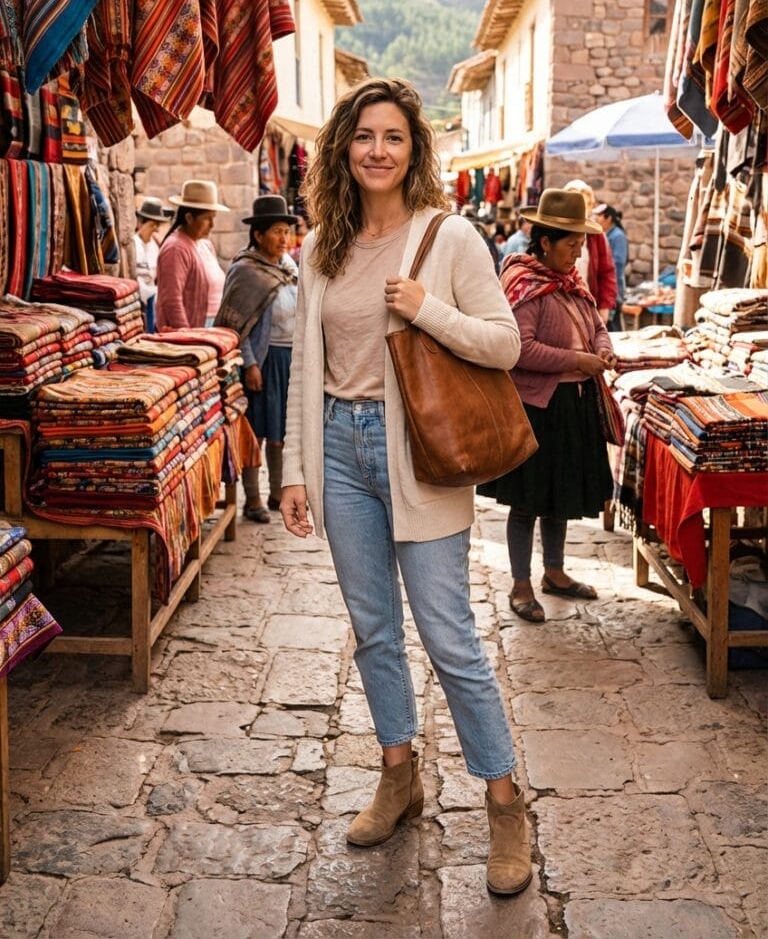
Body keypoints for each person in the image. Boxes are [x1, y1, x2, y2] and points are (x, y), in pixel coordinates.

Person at [280, 77, 531, 896]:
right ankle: (399, 771)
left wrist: (426, 309)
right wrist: (292, 470)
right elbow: (304, 373)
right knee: (373, 630)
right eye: (363, 137)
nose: (377, 150)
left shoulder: (450, 236)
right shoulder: (322, 247)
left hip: (417, 459)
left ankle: (503, 802)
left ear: (413, 149)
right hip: (341, 455)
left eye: (392, 136)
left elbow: (503, 344)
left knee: (451, 638)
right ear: (342, 151)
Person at [478, 188, 616, 624]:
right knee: (528, 499)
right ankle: (520, 583)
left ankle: (554, 572)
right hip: (538, 409)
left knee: (560, 496)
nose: (578, 253)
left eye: (580, 244)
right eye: (571, 244)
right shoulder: (526, 286)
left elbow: (597, 325)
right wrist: (579, 360)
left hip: (572, 406)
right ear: (545, 242)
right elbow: (521, 349)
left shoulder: (572, 285)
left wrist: (604, 348)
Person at [215, 195, 299, 523]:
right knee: (256, 433)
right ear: (258, 235)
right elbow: (237, 325)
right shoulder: (245, 271)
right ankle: (253, 499)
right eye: (277, 232)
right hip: (261, 363)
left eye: (286, 232)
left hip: (288, 360)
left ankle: (277, 493)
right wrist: (249, 363)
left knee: (283, 432)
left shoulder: (289, 267)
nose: (283, 239)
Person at [155, 180, 229, 331]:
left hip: (209, 326)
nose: (212, 225)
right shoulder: (176, 248)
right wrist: (185, 334)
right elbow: (172, 298)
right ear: (189, 218)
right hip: (193, 329)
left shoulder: (205, 245)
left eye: (213, 218)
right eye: (207, 218)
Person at [562, 178, 617, 323]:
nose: (581, 209)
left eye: (585, 204)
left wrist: (604, 307)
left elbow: (607, 272)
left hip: (588, 306)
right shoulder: (557, 232)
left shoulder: (596, 235)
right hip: (561, 305)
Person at [132, 197, 170, 332]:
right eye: (152, 224)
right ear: (142, 223)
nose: (155, 229)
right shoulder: (133, 244)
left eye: (157, 225)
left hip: (153, 299)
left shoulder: (156, 245)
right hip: (139, 299)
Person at [595, 203, 629, 331]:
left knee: (612, 327)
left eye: (599, 216)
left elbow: (618, 264)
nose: (596, 218)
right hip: (608, 289)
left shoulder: (617, 236)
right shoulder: (607, 235)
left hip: (613, 290)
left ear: (608, 218)